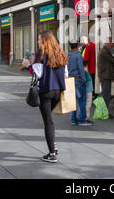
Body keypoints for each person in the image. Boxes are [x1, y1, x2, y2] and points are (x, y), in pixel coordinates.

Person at [30, 31, 68, 163]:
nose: (38, 41)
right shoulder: (60, 53)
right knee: (49, 118)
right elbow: (66, 73)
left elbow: (37, 73)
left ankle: (52, 153)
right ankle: (53, 145)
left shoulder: (42, 53)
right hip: (58, 90)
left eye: (39, 39)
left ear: (45, 40)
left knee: (48, 121)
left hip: (46, 90)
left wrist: (27, 66)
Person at [67, 42, 91, 126]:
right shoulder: (78, 55)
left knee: (72, 101)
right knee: (82, 100)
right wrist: (84, 80)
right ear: (77, 46)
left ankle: (73, 119)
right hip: (78, 80)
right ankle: (81, 120)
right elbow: (81, 69)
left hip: (70, 79)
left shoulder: (68, 55)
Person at [98, 40, 114, 119]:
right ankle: (103, 113)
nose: (113, 44)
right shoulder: (104, 51)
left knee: (105, 95)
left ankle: (103, 112)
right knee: (106, 95)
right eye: (112, 42)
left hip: (105, 76)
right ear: (107, 43)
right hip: (105, 76)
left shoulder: (105, 50)